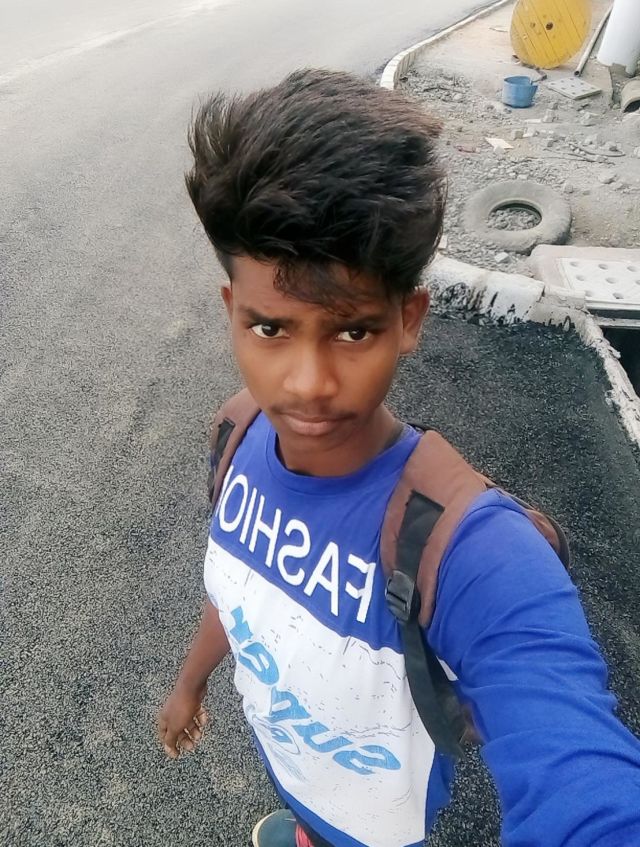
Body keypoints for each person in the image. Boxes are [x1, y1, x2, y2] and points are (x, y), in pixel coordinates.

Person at [157, 69, 640, 847]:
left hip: (381, 824)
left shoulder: (473, 548)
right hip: (290, 764)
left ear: (410, 319)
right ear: (232, 313)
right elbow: (242, 590)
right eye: (271, 328)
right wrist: (191, 682)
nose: (307, 384)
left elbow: (579, 779)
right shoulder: (238, 434)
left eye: (352, 330)